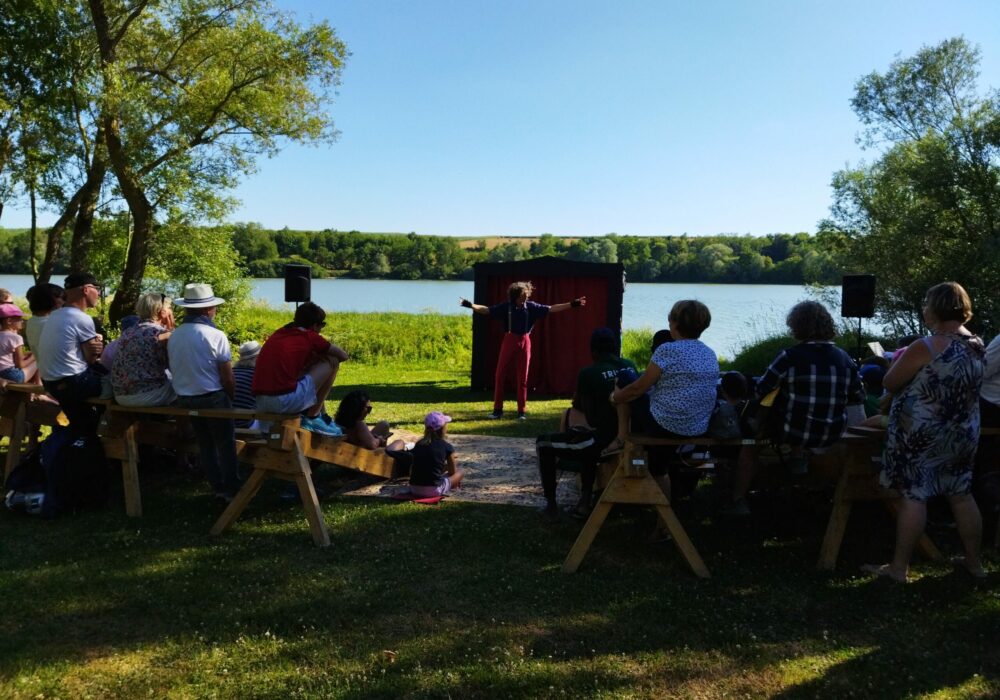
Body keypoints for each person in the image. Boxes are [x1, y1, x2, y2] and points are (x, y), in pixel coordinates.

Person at [864, 282, 986, 582]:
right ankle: (975, 564)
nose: (924, 309)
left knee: (914, 495)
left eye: (927, 303)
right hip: (962, 431)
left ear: (936, 308)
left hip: (922, 431)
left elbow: (890, 382)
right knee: (961, 494)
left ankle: (899, 568)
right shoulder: (977, 345)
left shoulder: (926, 346)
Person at [724, 301, 864, 516]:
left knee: (750, 445)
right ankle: (798, 460)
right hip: (832, 431)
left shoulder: (790, 356)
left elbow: (762, 388)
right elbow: (858, 395)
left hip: (794, 431)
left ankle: (738, 500)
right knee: (800, 406)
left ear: (796, 327)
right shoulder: (844, 358)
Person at [610, 300, 719, 533]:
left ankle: (620, 436)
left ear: (675, 323)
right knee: (659, 466)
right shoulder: (709, 353)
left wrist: (616, 398)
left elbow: (639, 389)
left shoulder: (667, 350)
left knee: (625, 379)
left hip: (665, 424)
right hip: (697, 427)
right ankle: (663, 525)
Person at [537, 327, 637, 518]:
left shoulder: (588, 373)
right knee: (586, 438)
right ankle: (584, 500)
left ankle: (551, 505)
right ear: (615, 347)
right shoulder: (630, 365)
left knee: (545, 443)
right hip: (630, 435)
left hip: (606, 439)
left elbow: (586, 412)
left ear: (593, 351)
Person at [459, 281, 586, 420]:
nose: (525, 297)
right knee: (500, 375)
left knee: (523, 378)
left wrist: (572, 304)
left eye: (526, 295)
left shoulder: (531, 307)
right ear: (515, 296)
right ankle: (497, 410)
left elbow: (551, 308)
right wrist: (470, 305)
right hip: (509, 339)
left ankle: (521, 412)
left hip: (525, 341)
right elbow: (486, 310)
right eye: (522, 295)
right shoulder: (506, 307)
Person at [168, 283, 239, 502]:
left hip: (185, 398)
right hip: (212, 396)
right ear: (208, 310)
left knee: (205, 443)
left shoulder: (175, 335)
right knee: (225, 443)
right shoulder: (215, 334)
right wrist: (232, 398)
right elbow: (227, 377)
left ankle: (217, 487)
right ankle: (232, 489)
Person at [253, 302, 348, 436]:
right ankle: (313, 417)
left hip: (261, 402)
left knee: (308, 369)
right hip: (283, 402)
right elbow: (343, 356)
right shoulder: (310, 336)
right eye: (322, 325)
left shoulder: (279, 334)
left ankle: (319, 414)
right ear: (315, 325)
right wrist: (320, 354)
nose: (321, 329)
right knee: (332, 361)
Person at [36, 272, 106, 433]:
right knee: (122, 387)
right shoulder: (82, 318)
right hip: (73, 382)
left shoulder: (54, 316)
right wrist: (95, 347)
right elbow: (91, 359)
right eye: (97, 289)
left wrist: (90, 347)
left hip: (51, 382)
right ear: (87, 289)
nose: (99, 293)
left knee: (81, 423)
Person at [111, 294, 176, 407]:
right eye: (170, 308)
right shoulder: (161, 334)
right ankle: (181, 425)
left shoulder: (128, 332)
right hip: (148, 395)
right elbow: (175, 367)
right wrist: (172, 330)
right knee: (186, 391)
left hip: (120, 396)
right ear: (162, 312)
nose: (172, 312)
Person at [405, 411, 464, 498]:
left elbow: (413, 469)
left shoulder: (418, 444)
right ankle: (452, 486)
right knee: (460, 472)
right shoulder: (446, 446)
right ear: (443, 429)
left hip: (414, 489)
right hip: (433, 490)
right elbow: (452, 472)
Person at [333, 389, 404, 449]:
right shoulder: (359, 425)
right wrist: (379, 440)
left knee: (383, 424)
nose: (368, 412)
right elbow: (372, 445)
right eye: (368, 408)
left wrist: (372, 437)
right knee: (400, 442)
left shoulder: (339, 422)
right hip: (365, 457)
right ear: (358, 408)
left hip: (352, 450)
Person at [24, 283, 64, 361]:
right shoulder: (51, 323)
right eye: (61, 298)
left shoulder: (32, 321)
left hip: (44, 368)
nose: (63, 301)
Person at [0, 303, 37, 384]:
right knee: (38, 361)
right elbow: (20, 365)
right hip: (12, 376)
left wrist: (27, 354)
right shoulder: (15, 337)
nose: (22, 321)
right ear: (9, 321)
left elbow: (7, 357)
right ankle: (38, 388)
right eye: (19, 318)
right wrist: (34, 356)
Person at [232, 341, 260, 429]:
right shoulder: (258, 375)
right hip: (247, 424)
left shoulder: (232, 372)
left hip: (228, 423)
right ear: (258, 357)